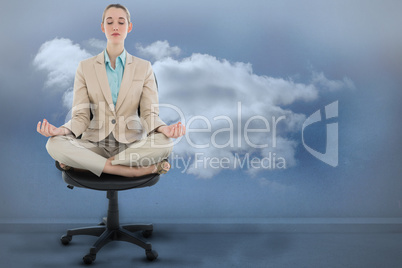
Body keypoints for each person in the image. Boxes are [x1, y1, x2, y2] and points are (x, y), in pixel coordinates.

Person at [37, 4, 185, 177]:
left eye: (121, 22)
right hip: (94, 146)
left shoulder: (144, 68)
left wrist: (163, 129)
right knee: (54, 143)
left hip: (131, 146)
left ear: (129, 27)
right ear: (102, 27)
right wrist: (60, 131)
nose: (115, 26)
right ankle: (132, 171)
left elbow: (148, 114)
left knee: (166, 143)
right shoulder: (85, 67)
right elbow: (81, 117)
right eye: (110, 22)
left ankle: (88, 165)